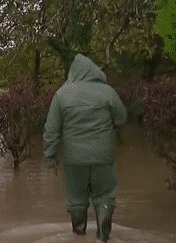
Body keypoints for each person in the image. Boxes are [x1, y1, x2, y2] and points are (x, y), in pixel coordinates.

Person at [43, 53, 127, 243]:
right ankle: (103, 235)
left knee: (76, 199)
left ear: (73, 73)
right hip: (103, 157)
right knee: (104, 195)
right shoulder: (108, 92)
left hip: (74, 160)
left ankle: (78, 236)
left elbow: (51, 130)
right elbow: (122, 119)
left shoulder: (61, 95)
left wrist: (50, 158)